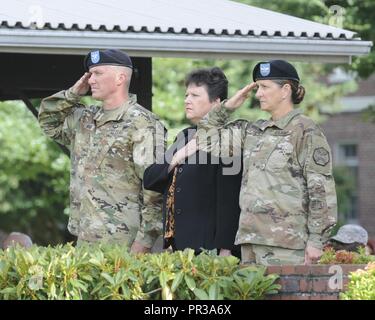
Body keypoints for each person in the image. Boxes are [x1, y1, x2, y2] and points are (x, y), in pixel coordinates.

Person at [196, 60, 337, 265]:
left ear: (285, 90)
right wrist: (226, 107)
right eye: (257, 87)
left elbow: (321, 190)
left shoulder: (305, 131)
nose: (258, 94)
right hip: (250, 244)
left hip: (287, 247)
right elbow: (206, 140)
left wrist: (316, 241)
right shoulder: (253, 131)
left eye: (264, 87)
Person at [38, 49, 166, 253]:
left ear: (120, 78)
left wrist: (144, 243)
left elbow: (155, 189)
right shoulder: (85, 118)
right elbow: (47, 121)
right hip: (84, 239)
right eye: (89, 74)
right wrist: (72, 94)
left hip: (123, 243)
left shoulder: (142, 123)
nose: (90, 80)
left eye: (98, 73)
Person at [143, 67, 242, 257]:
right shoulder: (185, 136)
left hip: (209, 250)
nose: (187, 100)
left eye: (195, 95)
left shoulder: (228, 138)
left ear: (217, 103)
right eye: (186, 95)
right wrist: (178, 156)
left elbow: (230, 200)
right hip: (178, 249)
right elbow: (150, 179)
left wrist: (226, 250)